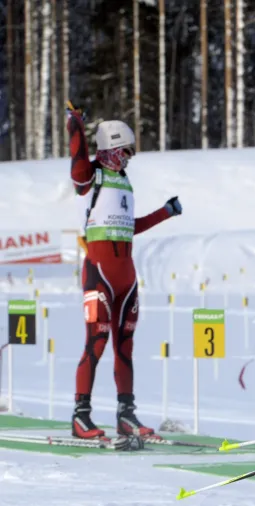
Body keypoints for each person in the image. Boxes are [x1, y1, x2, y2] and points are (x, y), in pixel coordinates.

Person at [67, 106, 183, 439]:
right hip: (99, 272)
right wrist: (75, 124)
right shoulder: (90, 177)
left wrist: (165, 212)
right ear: (110, 148)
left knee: (125, 346)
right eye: (125, 152)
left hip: (127, 276)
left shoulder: (123, 181)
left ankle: (126, 416)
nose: (128, 159)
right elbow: (77, 162)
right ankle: (81, 416)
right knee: (97, 342)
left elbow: (129, 227)